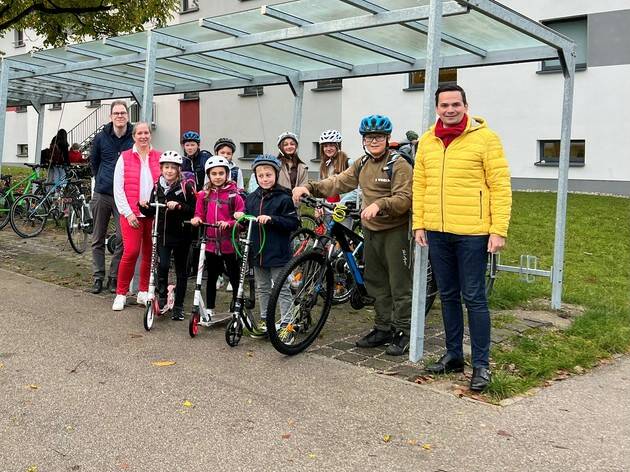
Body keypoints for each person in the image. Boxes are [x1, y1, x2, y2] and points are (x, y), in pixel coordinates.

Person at [413, 84, 512, 391]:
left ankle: (481, 365)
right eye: (444, 105)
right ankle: (454, 355)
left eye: (456, 104)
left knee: (475, 298)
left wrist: (498, 230)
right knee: (448, 296)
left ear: (466, 106)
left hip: (472, 233)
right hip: (438, 232)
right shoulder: (428, 141)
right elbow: (420, 185)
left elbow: (500, 185)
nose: (450, 109)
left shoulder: (485, 138)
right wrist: (419, 224)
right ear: (437, 108)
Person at [293, 115, 413, 356]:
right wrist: (309, 187)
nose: (373, 141)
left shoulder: (398, 164)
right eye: (369, 137)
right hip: (371, 229)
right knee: (376, 281)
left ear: (387, 138)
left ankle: (403, 331)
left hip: (396, 230)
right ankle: (382, 327)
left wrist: (380, 205)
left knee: (399, 283)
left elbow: (405, 198)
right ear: (363, 140)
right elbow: (338, 182)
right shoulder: (362, 163)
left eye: (378, 137)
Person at [234, 154, 300, 332]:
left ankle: (287, 323)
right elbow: (247, 222)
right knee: (262, 288)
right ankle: (265, 319)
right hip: (257, 252)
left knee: (282, 288)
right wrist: (241, 219)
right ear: (255, 176)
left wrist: (272, 219)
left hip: (278, 252)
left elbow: (293, 223)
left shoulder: (284, 198)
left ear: (276, 175)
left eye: (268, 175)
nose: (264, 179)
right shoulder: (252, 198)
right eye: (260, 175)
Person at [138, 151, 196, 321]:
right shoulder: (157, 187)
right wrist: (143, 206)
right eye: (166, 167)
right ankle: (162, 294)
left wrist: (178, 206)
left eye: (173, 168)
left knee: (181, 271)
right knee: (162, 265)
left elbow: (194, 210)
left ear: (178, 170)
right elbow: (150, 211)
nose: (169, 171)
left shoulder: (186, 187)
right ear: (161, 168)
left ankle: (178, 306)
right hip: (163, 235)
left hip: (182, 236)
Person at [111, 122, 162, 311]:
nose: (143, 136)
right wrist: (128, 212)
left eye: (146, 133)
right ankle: (121, 293)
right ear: (133, 136)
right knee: (131, 252)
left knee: (149, 254)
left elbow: (163, 184)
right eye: (139, 133)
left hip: (152, 214)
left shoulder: (159, 156)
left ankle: (142, 291)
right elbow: (118, 189)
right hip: (131, 214)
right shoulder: (124, 157)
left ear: (150, 135)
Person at [191, 156, 244, 319]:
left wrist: (229, 223)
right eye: (214, 173)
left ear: (227, 174)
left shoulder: (234, 195)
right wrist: (197, 219)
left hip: (229, 243)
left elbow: (241, 221)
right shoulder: (203, 195)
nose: (218, 176)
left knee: (234, 276)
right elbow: (199, 213)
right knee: (212, 276)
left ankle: (237, 306)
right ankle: (210, 308)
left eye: (221, 173)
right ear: (209, 175)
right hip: (211, 243)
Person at [89, 102, 133, 294]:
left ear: (127, 115)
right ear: (111, 116)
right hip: (103, 194)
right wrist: (102, 179)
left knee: (122, 240)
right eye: (116, 113)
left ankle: (114, 278)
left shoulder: (134, 136)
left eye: (123, 112)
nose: (120, 116)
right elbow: (94, 162)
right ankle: (98, 277)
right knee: (98, 237)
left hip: (123, 197)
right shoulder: (100, 138)